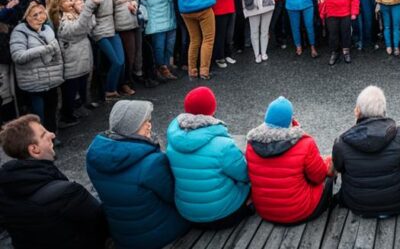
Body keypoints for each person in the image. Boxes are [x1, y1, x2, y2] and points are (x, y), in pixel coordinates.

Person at [85, 100, 189, 249]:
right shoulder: (152, 162)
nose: (149, 125)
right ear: (130, 128)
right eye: (144, 122)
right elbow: (175, 196)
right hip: (158, 234)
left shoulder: (93, 156)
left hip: (122, 235)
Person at [0, 114, 106, 249]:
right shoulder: (67, 193)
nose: (52, 135)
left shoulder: (5, 187)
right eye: (44, 134)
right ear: (34, 150)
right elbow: (100, 222)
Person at [166, 87, 252, 228]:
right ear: (212, 110)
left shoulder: (173, 142)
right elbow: (245, 175)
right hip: (222, 216)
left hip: (187, 214)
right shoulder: (223, 145)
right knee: (249, 185)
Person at [246, 96, 333, 225]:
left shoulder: (251, 144)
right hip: (299, 212)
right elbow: (318, 177)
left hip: (265, 211)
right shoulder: (305, 144)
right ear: (290, 120)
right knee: (329, 179)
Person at [333, 85, 400, 217]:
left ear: (358, 111)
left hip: (358, 204)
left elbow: (339, 169)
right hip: (397, 202)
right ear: (383, 111)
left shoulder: (341, 143)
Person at [49, 0, 100, 128]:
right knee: (70, 89)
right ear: (57, 5)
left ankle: (80, 106)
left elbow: (90, 25)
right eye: (66, 1)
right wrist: (88, 6)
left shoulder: (72, 13)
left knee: (82, 83)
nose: (71, 3)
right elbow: (77, 29)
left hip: (82, 55)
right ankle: (67, 115)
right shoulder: (59, 21)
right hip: (72, 60)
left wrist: (81, 11)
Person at [9, 0, 63, 134]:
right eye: (34, 15)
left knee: (52, 111)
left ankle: (51, 136)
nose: (39, 17)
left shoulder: (48, 29)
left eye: (41, 13)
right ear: (26, 17)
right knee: (38, 115)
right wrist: (44, 49)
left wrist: (59, 72)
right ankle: (38, 139)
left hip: (51, 80)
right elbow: (18, 56)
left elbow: (57, 53)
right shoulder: (19, 32)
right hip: (34, 82)